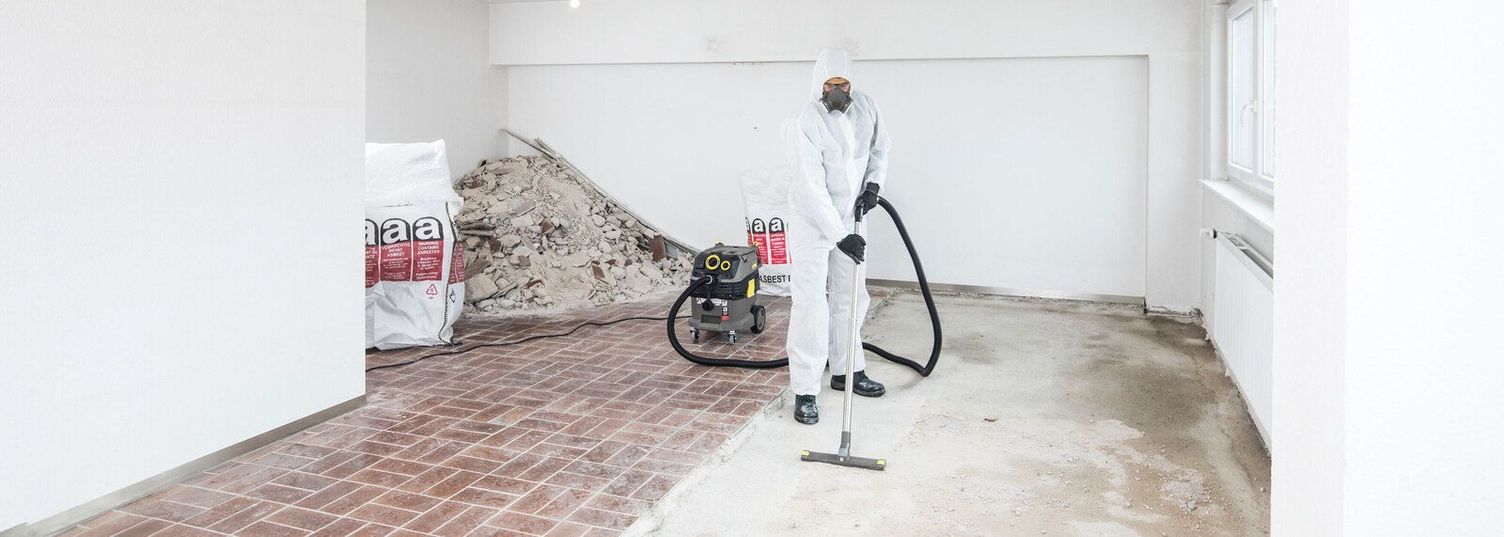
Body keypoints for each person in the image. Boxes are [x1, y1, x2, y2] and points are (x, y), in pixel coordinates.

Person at [783, 48, 892, 425]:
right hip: (813, 224)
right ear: (819, 84)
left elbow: (880, 149)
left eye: (843, 84)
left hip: (852, 217)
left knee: (851, 295)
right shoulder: (804, 121)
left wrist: (873, 184)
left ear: (851, 84)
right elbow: (811, 188)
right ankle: (805, 390)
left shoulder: (867, 107)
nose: (837, 91)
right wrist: (839, 235)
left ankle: (848, 370)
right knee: (811, 303)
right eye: (830, 84)